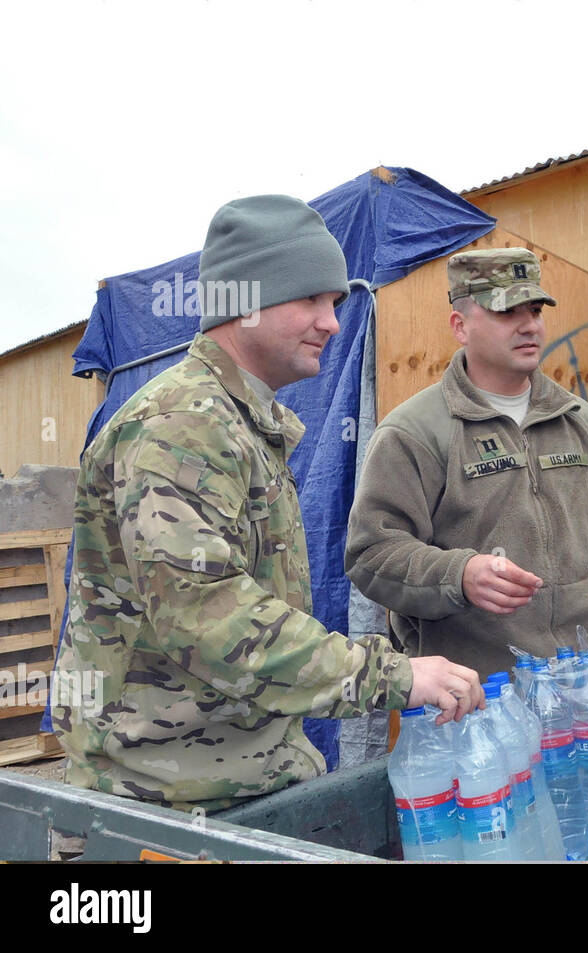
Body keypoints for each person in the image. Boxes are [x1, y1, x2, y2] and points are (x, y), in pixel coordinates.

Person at [52, 195, 484, 813]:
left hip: (234, 785)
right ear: (243, 303)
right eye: (310, 298)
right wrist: (395, 676)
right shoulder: (183, 425)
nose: (332, 323)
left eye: (335, 303)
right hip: (161, 804)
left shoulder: (240, 421)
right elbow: (208, 618)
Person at [345, 248, 588, 687]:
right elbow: (370, 555)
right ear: (460, 325)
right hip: (472, 703)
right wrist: (459, 575)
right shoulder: (415, 432)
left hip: (578, 691)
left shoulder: (581, 424)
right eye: (506, 311)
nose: (529, 324)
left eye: (534, 309)